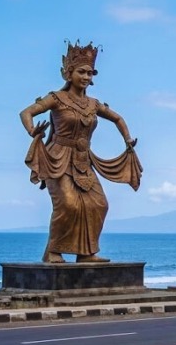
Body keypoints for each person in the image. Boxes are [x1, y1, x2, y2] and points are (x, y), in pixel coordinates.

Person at [19, 41, 142, 263]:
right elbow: (26, 112)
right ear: (69, 73)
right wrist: (31, 130)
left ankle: (86, 253)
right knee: (67, 203)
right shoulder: (56, 98)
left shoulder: (93, 104)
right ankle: (54, 252)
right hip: (57, 157)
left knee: (99, 204)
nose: (86, 77)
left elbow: (117, 118)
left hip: (84, 160)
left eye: (89, 73)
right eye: (81, 72)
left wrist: (127, 140)